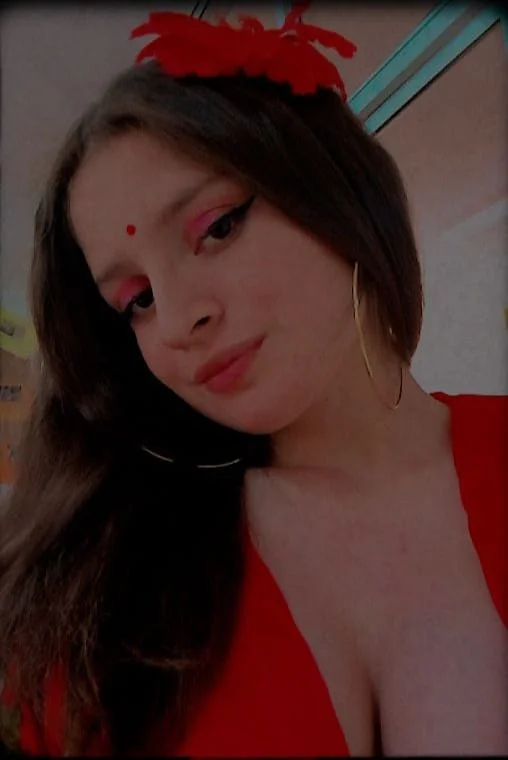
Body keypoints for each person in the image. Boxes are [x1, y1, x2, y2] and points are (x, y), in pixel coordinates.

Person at [0, 3, 507, 757]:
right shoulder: (106, 583)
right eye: (137, 300)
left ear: (332, 190)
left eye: (218, 227)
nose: (179, 319)